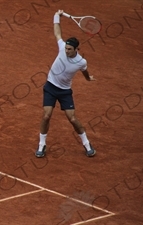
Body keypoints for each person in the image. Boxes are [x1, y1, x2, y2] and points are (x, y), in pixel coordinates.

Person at [35, 9, 96, 158]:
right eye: (66, 48)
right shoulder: (62, 47)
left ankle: (87, 144)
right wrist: (57, 15)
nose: (66, 51)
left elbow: (84, 71)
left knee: (73, 119)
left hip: (64, 91)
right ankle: (42, 145)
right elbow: (57, 32)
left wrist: (88, 78)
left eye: (69, 49)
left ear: (76, 49)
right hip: (50, 86)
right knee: (46, 116)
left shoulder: (81, 62)